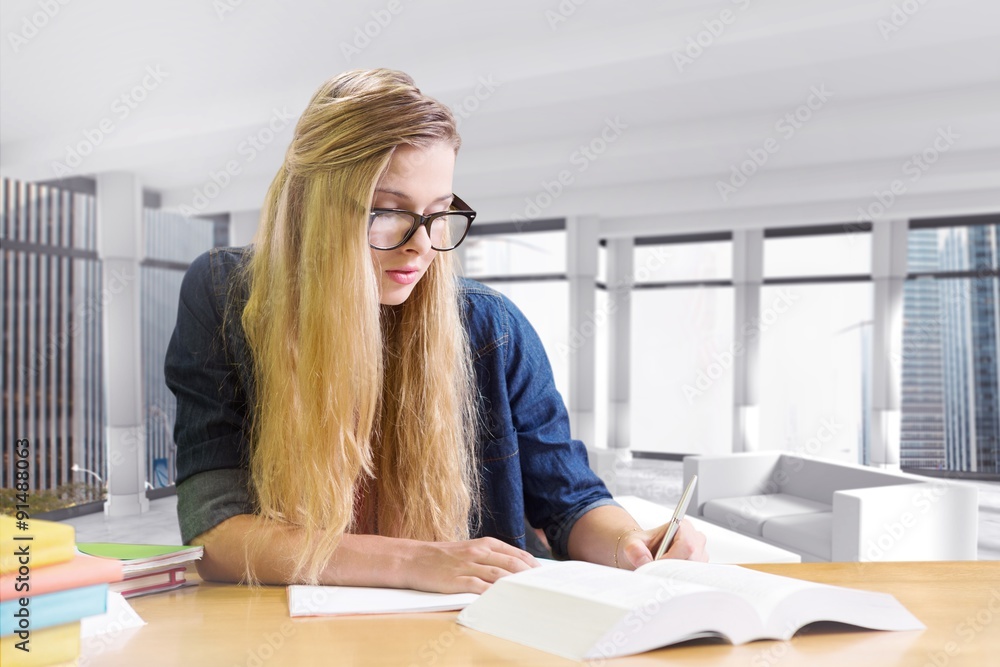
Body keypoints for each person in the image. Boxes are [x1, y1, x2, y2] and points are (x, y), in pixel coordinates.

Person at [164, 68, 706, 594]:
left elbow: (570, 502)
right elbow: (216, 535)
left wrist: (629, 546)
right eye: (387, 211)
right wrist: (413, 561)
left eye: (439, 212)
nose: (422, 244)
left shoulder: (491, 327)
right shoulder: (226, 295)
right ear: (312, 209)